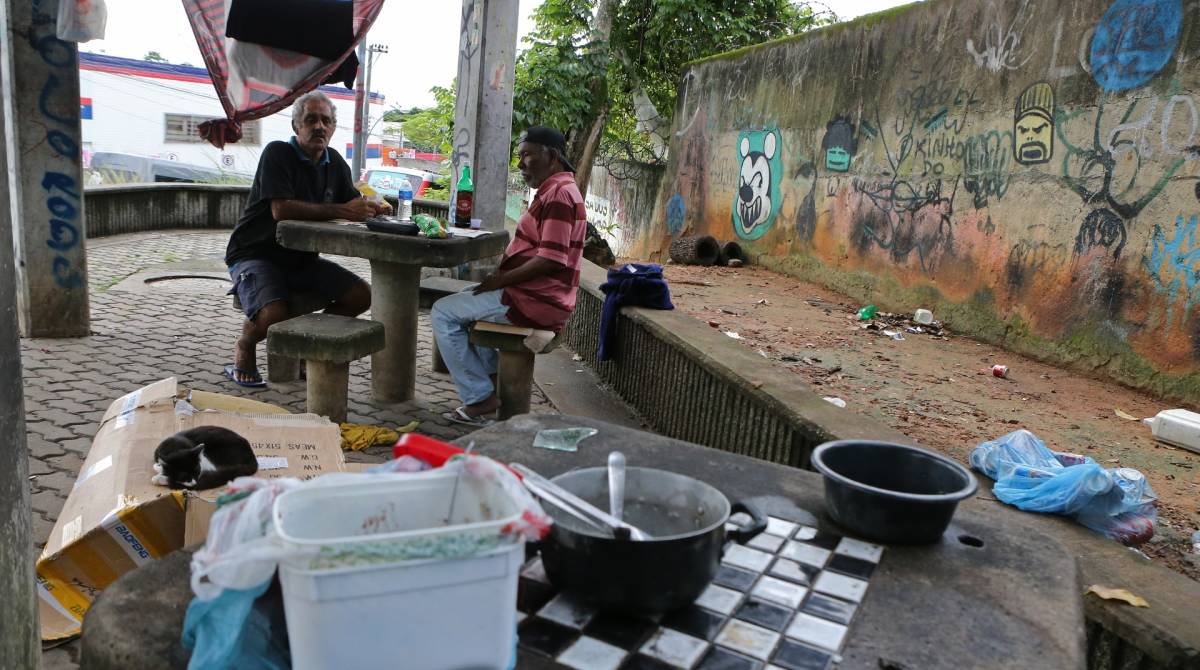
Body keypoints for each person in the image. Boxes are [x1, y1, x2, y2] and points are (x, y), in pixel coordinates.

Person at [223, 91, 387, 387]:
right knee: (274, 313)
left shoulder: (335, 163)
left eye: (326, 121)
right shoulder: (277, 153)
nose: (319, 127)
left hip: (301, 259)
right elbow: (281, 209)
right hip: (255, 253)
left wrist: (372, 207)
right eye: (311, 120)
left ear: (333, 127)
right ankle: (245, 345)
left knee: (361, 295)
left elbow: (353, 203)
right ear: (296, 126)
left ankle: (305, 347)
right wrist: (343, 210)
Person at [432, 126, 587, 425]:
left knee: (443, 312)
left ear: (552, 157)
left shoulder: (559, 195)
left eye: (527, 155)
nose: (520, 164)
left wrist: (500, 280)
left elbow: (551, 260)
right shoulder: (558, 190)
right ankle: (489, 384)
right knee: (466, 301)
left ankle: (479, 399)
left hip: (536, 301)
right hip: (535, 296)